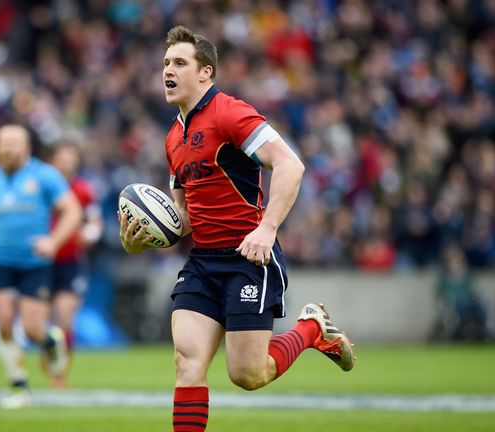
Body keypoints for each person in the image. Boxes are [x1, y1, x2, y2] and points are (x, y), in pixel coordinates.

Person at [118, 26, 356, 432]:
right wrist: (139, 242)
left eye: (179, 63)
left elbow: (290, 165)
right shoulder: (173, 137)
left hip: (248, 258)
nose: (168, 70)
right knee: (187, 363)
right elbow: (183, 216)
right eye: (166, 63)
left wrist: (267, 228)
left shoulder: (230, 112)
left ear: (205, 72)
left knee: (248, 374)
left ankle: (311, 327)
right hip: (202, 263)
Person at [0, 124, 82, 408]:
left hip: (34, 262)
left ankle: (50, 340)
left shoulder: (45, 176)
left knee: (32, 330)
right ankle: (18, 385)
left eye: (14, 143)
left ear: (27, 148)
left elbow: (72, 211)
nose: (8, 149)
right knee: (2, 323)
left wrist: (53, 241)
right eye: (3, 143)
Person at [46, 141, 104, 387]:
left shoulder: (83, 189)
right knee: (41, 322)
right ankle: (48, 353)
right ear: (52, 160)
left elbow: (95, 221)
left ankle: (60, 372)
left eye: (72, 158)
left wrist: (89, 234)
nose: (68, 163)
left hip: (71, 261)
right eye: (63, 157)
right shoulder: (41, 186)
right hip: (41, 261)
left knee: (64, 317)